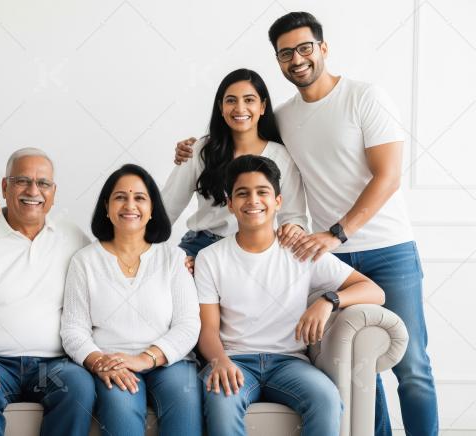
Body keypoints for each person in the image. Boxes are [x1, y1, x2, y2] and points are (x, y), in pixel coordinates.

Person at [174, 11, 438, 435]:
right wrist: (194, 147)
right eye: (285, 53)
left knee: (412, 366)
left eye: (304, 48)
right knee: (358, 367)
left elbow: (388, 176)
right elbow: (244, 135)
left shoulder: (364, 97)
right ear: (278, 60)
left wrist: (336, 234)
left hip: (382, 247)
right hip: (321, 250)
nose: (296, 59)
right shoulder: (284, 118)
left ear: (323, 48)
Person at [195, 155, 385, 436]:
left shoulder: (301, 250)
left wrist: (329, 300)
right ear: (230, 203)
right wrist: (219, 361)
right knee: (221, 402)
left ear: (278, 202)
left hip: (289, 362)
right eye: (242, 193)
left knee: (326, 399)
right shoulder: (210, 258)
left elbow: (374, 291)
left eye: (262, 192)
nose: (253, 201)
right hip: (235, 360)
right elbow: (208, 329)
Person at [0, 148, 95, 436]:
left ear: (53, 192)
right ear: (5, 187)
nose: (33, 191)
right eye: (22, 181)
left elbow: (106, 278)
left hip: (54, 364)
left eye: (43, 183)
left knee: (79, 386)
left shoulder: (74, 238)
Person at [61, 163, 202, 436]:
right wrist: (99, 362)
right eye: (120, 197)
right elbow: (73, 329)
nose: (130, 205)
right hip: (111, 362)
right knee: (121, 411)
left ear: (152, 208)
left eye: (139, 198)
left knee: (185, 402)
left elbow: (188, 325)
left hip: (169, 362)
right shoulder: (85, 261)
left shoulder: (173, 258)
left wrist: (146, 358)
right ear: (106, 206)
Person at [162, 69, 307, 259]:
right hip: (200, 247)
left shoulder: (281, 156)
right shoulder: (200, 150)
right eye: (231, 100)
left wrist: (293, 229)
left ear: (262, 106)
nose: (240, 108)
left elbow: (294, 216)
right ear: (221, 107)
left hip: (255, 250)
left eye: (249, 100)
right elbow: (167, 207)